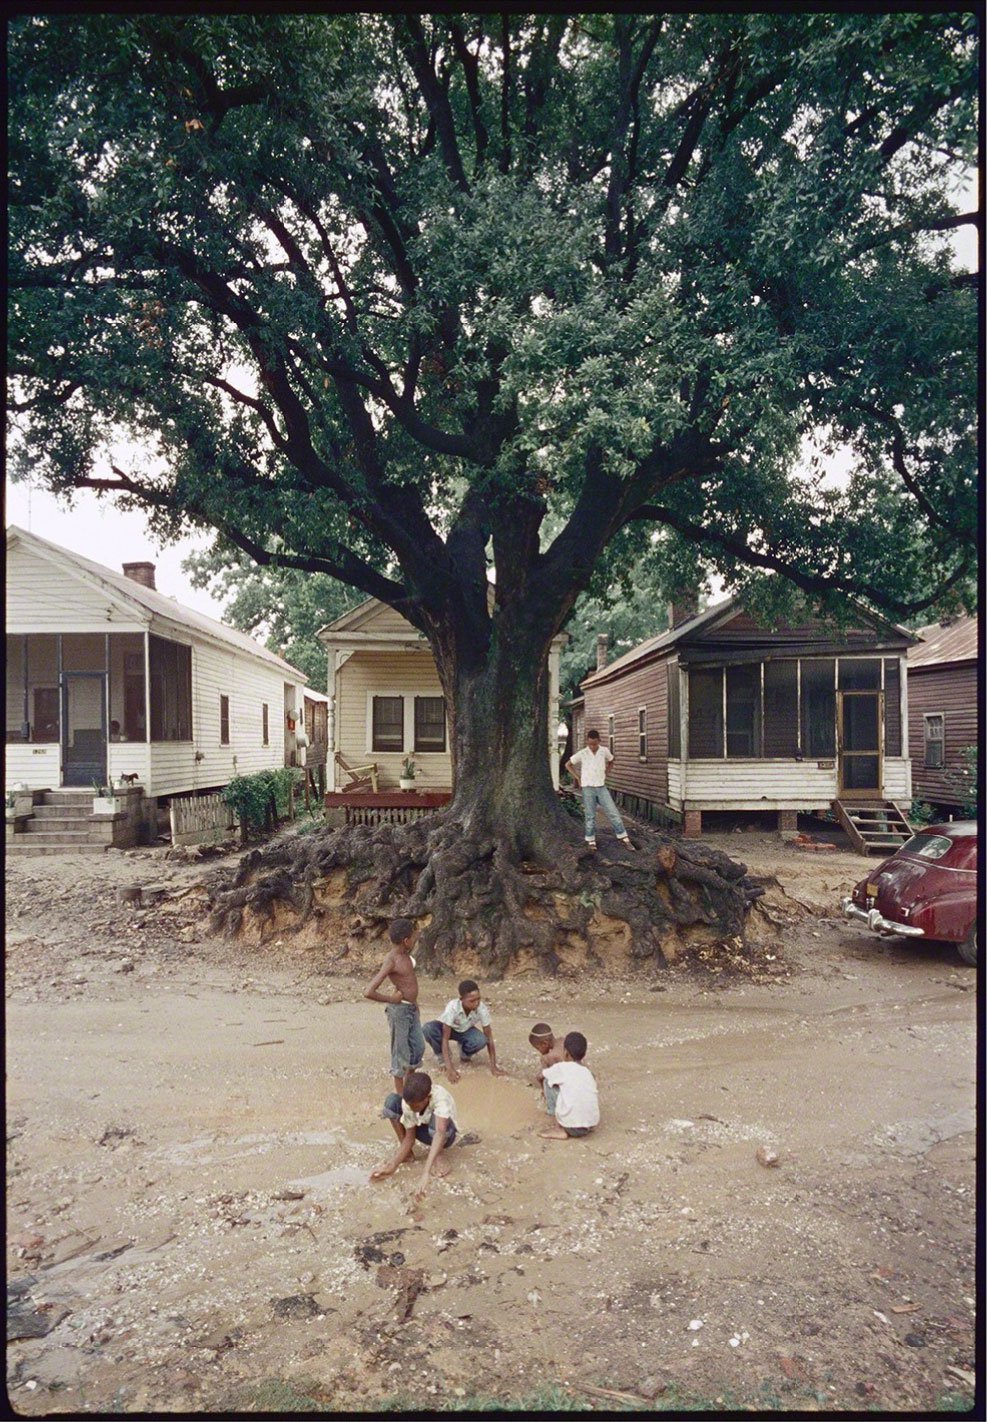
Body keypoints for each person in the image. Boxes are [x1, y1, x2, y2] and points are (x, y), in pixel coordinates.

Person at [371, 1071, 457, 1200]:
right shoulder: (409, 1102)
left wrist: (425, 1173)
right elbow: (410, 1137)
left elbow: (440, 1133)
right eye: (410, 1105)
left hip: (446, 1134)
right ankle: (407, 1154)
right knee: (392, 1102)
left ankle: (439, 1155)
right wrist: (392, 1165)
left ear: (427, 1097)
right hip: (426, 1128)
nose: (412, 1108)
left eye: (416, 1105)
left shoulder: (440, 1098)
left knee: (436, 1121)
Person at [363, 917, 424, 1095]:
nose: (414, 940)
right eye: (412, 937)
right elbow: (369, 991)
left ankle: (409, 1086)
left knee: (418, 1047)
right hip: (399, 1012)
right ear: (406, 940)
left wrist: (415, 1003)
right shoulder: (392, 961)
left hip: (412, 1010)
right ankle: (400, 1098)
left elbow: (408, 982)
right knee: (401, 1054)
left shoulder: (406, 957)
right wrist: (391, 999)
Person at [422, 980, 507, 1083]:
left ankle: (464, 1053)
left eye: (478, 999)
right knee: (428, 1029)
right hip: (446, 1029)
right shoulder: (453, 1007)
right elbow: (445, 1038)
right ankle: (442, 1057)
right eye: (472, 1000)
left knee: (481, 1040)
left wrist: (494, 1066)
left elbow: (489, 1037)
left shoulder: (481, 1008)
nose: (476, 1003)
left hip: (465, 1030)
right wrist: (450, 1069)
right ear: (461, 999)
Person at [565, 729, 635, 851]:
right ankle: (591, 840)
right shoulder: (583, 753)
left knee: (613, 812)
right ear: (587, 742)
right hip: (587, 787)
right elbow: (568, 764)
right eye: (590, 744)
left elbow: (612, 760)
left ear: (599, 741)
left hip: (601, 786)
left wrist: (607, 772)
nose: (592, 747)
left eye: (595, 744)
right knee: (590, 815)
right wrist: (578, 778)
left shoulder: (604, 751)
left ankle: (624, 838)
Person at [538, 1031, 600, 1140]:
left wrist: (542, 1090)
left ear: (566, 1053)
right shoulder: (588, 1072)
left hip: (571, 1127)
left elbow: (540, 1076)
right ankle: (579, 1122)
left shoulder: (562, 1067)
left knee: (547, 1080)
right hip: (591, 1124)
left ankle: (559, 1126)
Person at [528, 1022, 564, 1086]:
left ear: (544, 1044)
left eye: (537, 1048)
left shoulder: (547, 1058)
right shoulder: (563, 1040)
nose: (539, 1051)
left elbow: (543, 1077)